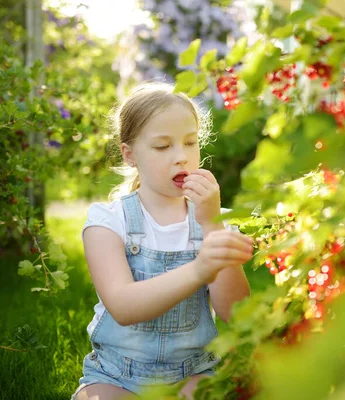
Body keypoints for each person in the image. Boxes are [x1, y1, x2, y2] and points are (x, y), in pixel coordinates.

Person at [71, 82, 254, 400]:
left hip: (193, 372)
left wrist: (211, 223)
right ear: (130, 154)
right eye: (162, 146)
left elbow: (235, 312)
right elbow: (124, 307)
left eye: (190, 142)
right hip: (117, 376)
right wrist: (200, 269)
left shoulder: (216, 221)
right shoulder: (109, 221)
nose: (181, 157)